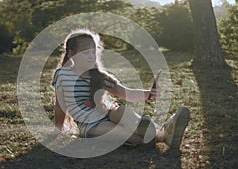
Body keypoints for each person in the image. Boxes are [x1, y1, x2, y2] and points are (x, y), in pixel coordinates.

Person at [51, 29, 190, 149]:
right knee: (127, 135)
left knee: (124, 112)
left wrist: (149, 94)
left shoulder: (100, 77)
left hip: (108, 113)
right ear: (71, 54)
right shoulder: (62, 75)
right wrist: (57, 129)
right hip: (90, 126)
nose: (91, 56)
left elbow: (127, 93)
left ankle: (156, 131)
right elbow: (60, 106)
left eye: (93, 52)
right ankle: (163, 135)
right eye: (86, 53)